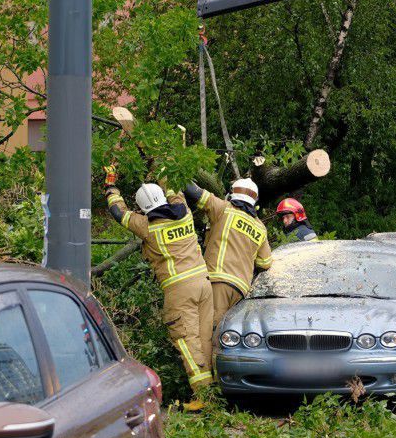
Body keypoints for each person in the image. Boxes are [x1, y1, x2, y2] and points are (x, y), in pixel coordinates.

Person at [104, 167, 213, 409]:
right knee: (205, 337)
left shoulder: (147, 226)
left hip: (179, 289)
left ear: (143, 207)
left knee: (186, 340)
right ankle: (216, 390)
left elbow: (119, 212)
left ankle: (205, 397)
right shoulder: (183, 211)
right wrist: (162, 167)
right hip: (204, 283)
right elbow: (174, 187)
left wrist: (111, 184)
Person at [184, 178, 272, 328]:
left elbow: (196, 193)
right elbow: (265, 262)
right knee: (228, 331)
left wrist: (173, 173)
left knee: (209, 329)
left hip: (219, 281)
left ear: (232, 194)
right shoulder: (260, 227)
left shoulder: (224, 209)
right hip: (241, 290)